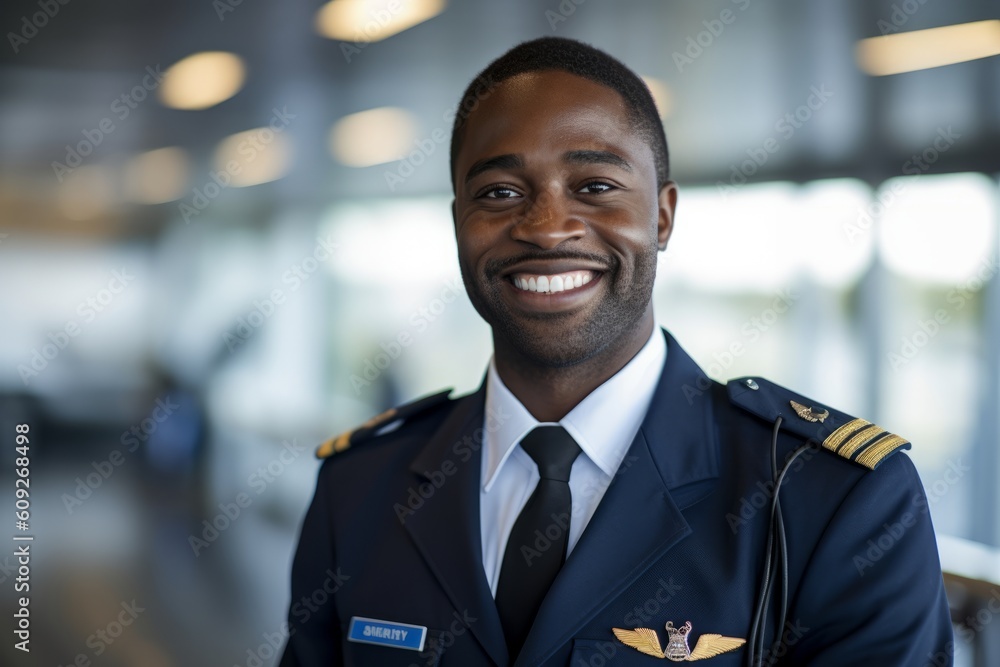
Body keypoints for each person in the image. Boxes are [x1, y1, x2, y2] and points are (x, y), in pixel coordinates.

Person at [279, 37, 953, 667]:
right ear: (460, 223)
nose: (546, 228)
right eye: (500, 193)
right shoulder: (360, 486)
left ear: (662, 216)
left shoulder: (831, 498)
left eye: (595, 186)